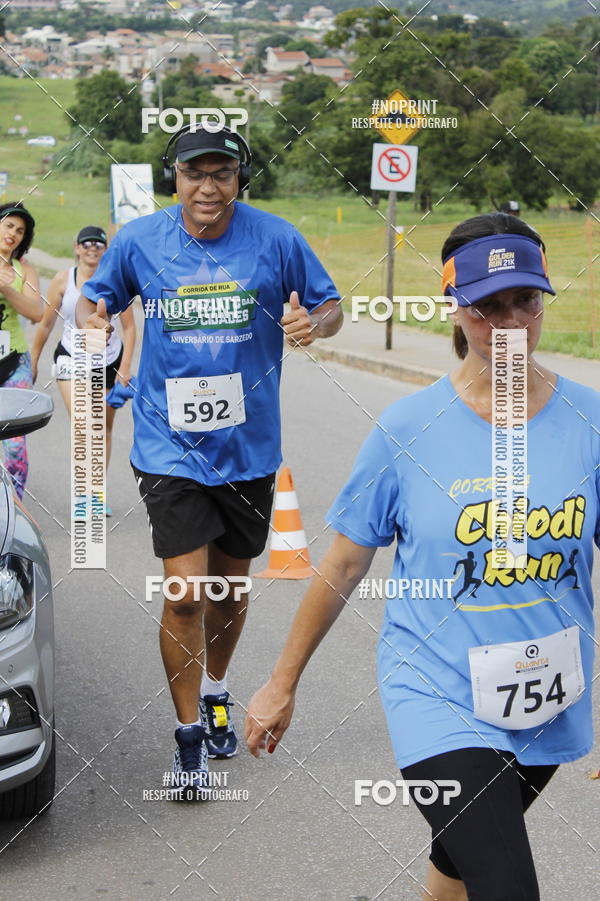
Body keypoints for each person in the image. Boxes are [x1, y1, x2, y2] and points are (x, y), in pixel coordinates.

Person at [246, 212, 599, 900]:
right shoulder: (409, 428)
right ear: (455, 309)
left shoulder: (589, 420)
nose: (510, 322)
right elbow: (345, 564)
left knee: (460, 859)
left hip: (548, 694)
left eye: (525, 300)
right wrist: (281, 682)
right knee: (504, 883)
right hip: (436, 692)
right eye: (487, 305)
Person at [76, 124, 343, 795]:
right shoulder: (140, 240)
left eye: (222, 174)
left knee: (227, 588)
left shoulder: (275, 238)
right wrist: (93, 321)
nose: (208, 186)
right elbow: (93, 297)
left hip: (250, 448)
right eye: (196, 174)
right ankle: (188, 733)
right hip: (168, 445)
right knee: (187, 593)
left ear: (239, 180)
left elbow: (331, 304)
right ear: (176, 179)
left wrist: (318, 323)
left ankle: (218, 688)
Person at [30, 225, 136, 515]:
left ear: (105, 250)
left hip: (109, 361)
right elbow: (46, 323)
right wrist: (34, 359)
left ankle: (96, 494)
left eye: (98, 244)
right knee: (84, 425)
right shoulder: (64, 280)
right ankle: (82, 493)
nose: (92, 248)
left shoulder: (116, 282)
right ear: (76, 248)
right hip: (72, 361)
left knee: (103, 429)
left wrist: (125, 368)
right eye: (86, 243)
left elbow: (129, 327)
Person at [0, 201, 43, 498]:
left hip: (15, 361)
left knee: (14, 444)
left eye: (20, 230)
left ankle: (15, 507)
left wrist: (7, 289)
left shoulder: (24, 270)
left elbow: (36, 313)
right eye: (8, 225)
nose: (13, 233)